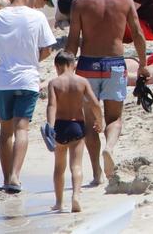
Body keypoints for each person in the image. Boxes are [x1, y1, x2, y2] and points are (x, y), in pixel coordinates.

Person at [65, 0, 145, 185]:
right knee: (114, 119)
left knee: (90, 122)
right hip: (114, 65)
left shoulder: (80, 3)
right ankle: (109, 147)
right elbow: (138, 34)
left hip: (88, 66)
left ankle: (97, 174)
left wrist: (66, 72)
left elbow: (72, 42)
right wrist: (143, 65)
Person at [46, 52, 103, 213]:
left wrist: (50, 126)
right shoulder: (82, 81)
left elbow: (52, 106)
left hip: (59, 127)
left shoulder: (54, 83)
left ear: (57, 66)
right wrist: (100, 121)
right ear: (74, 65)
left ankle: (58, 203)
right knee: (76, 165)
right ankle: (76, 196)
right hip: (77, 126)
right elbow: (95, 104)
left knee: (59, 167)